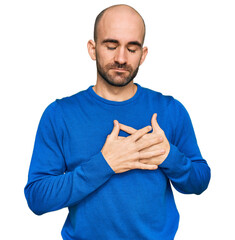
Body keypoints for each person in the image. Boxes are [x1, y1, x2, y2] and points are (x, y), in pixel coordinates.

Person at [24, 4, 211, 240]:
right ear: (93, 49)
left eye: (132, 49)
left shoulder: (170, 110)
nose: (121, 58)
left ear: (143, 55)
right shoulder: (59, 114)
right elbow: (37, 198)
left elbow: (200, 181)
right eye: (111, 46)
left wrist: (169, 156)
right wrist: (104, 164)